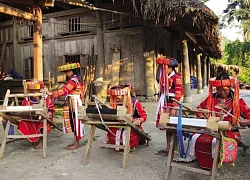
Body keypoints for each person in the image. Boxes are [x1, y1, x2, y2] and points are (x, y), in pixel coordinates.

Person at [187, 72, 250, 167]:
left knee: (215, 141)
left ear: (230, 87)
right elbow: (199, 109)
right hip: (211, 128)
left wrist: (247, 121)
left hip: (228, 130)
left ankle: (214, 160)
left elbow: (248, 114)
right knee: (195, 137)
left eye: (225, 90)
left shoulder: (237, 100)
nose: (222, 92)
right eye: (219, 90)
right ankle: (198, 157)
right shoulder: (211, 98)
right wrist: (202, 115)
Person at [48, 62, 84, 150]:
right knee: (74, 121)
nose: (66, 73)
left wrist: (52, 93)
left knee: (76, 121)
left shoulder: (74, 80)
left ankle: (77, 143)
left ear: (72, 71)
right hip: (73, 101)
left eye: (67, 71)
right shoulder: (76, 78)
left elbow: (66, 90)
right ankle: (76, 141)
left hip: (74, 102)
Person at [155, 57, 183, 156]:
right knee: (167, 127)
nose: (163, 70)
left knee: (173, 127)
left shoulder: (176, 77)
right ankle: (168, 148)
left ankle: (173, 148)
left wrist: (174, 108)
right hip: (165, 105)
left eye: (164, 68)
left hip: (172, 105)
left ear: (170, 68)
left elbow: (179, 94)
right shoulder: (165, 78)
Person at [107, 85, 147, 149]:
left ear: (124, 96)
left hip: (132, 124)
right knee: (112, 131)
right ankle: (117, 145)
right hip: (118, 124)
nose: (116, 99)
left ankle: (128, 144)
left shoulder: (135, 102)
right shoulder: (114, 103)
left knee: (131, 135)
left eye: (118, 98)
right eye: (115, 97)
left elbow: (144, 115)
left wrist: (139, 120)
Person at [18, 81, 55, 150]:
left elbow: (51, 109)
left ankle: (40, 140)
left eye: (35, 91)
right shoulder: (28, 98)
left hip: (41, 117)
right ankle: (34, 140)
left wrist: (47, 114)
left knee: (41, 123)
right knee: (24, 123)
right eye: (32, 91)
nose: (33, 93)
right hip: (29, 117)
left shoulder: (45, 97)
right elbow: (23, 109)